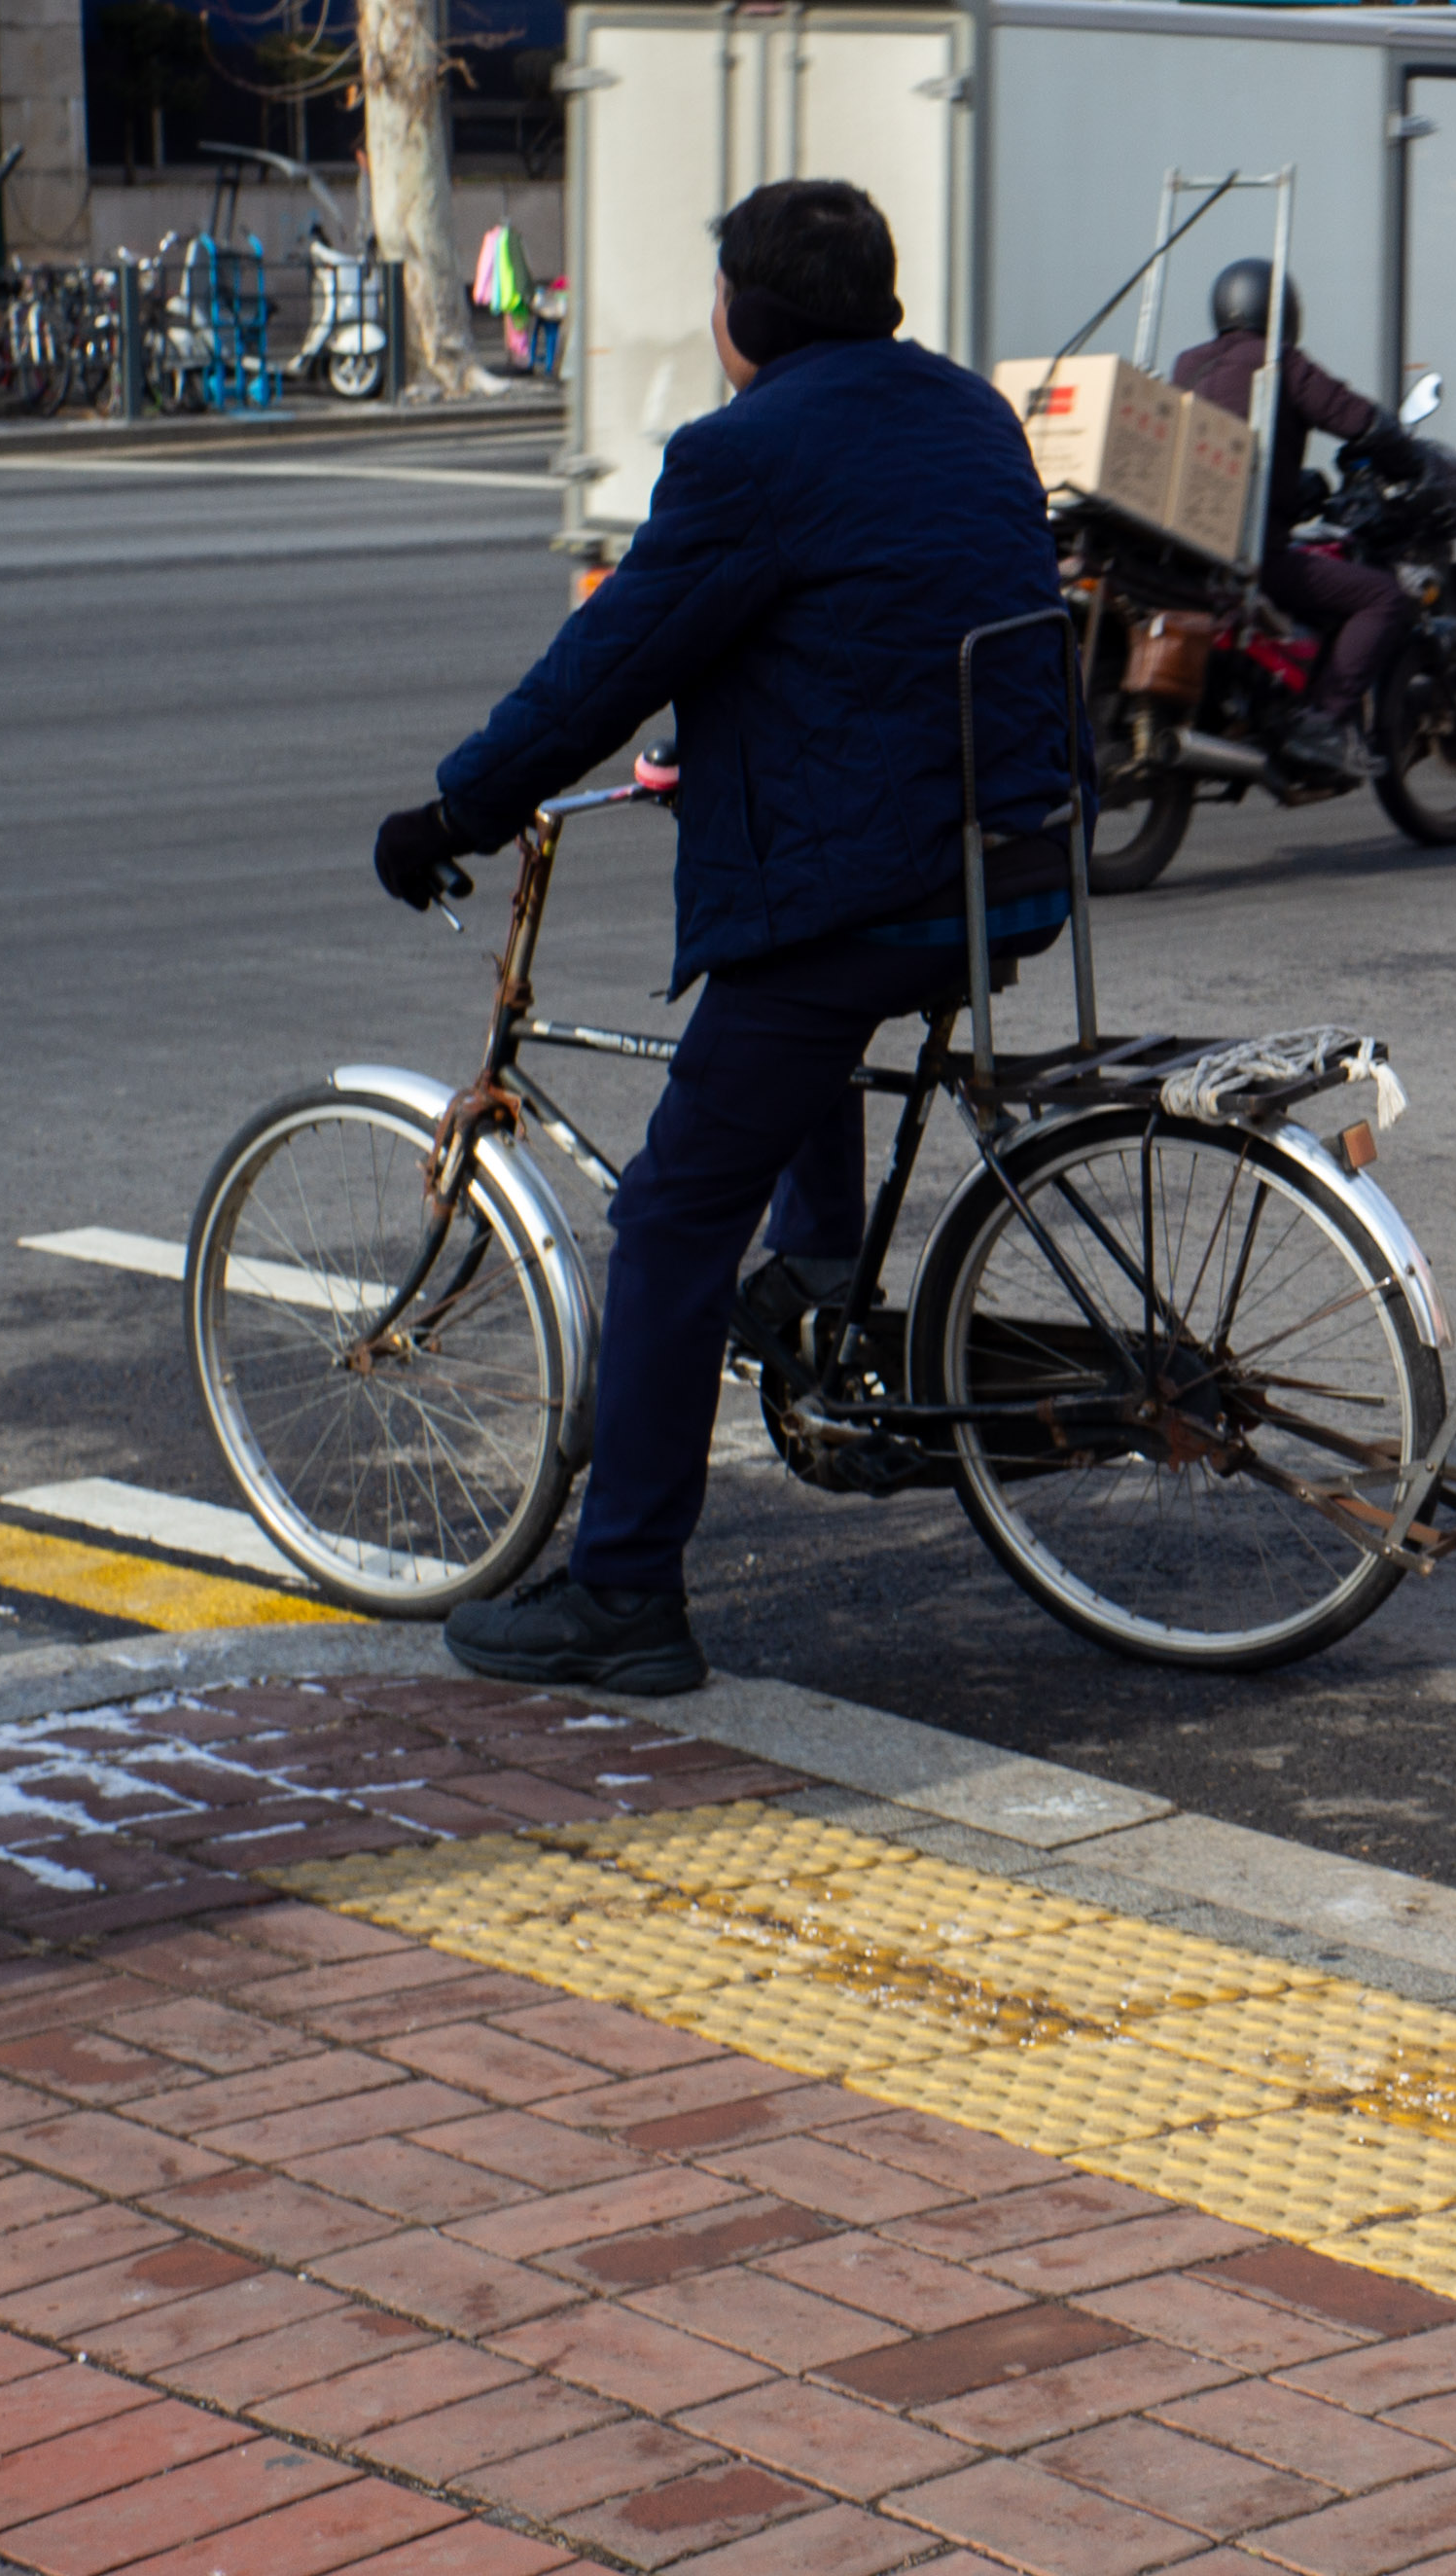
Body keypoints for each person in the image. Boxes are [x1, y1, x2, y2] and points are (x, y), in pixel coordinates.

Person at [376, 179, 1074, 1696]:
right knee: (791, 1027)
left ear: (747, 319)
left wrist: (453, 814)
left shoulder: (743, 450)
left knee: (678, 1214)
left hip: (865, 887)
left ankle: (624, 1592)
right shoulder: (965, 412)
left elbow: (604, 664)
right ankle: (819, 1272)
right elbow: (874, 625)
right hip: (1007, 871)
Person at [1172, 258, 1407, 786]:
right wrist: (1406, 452)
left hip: (1186, 550)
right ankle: (1322, 721)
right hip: (1251, 553)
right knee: (1382, 597)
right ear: (1282, 311)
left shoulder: (1188, 365)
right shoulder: (1280, 363)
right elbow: (1355, 418)